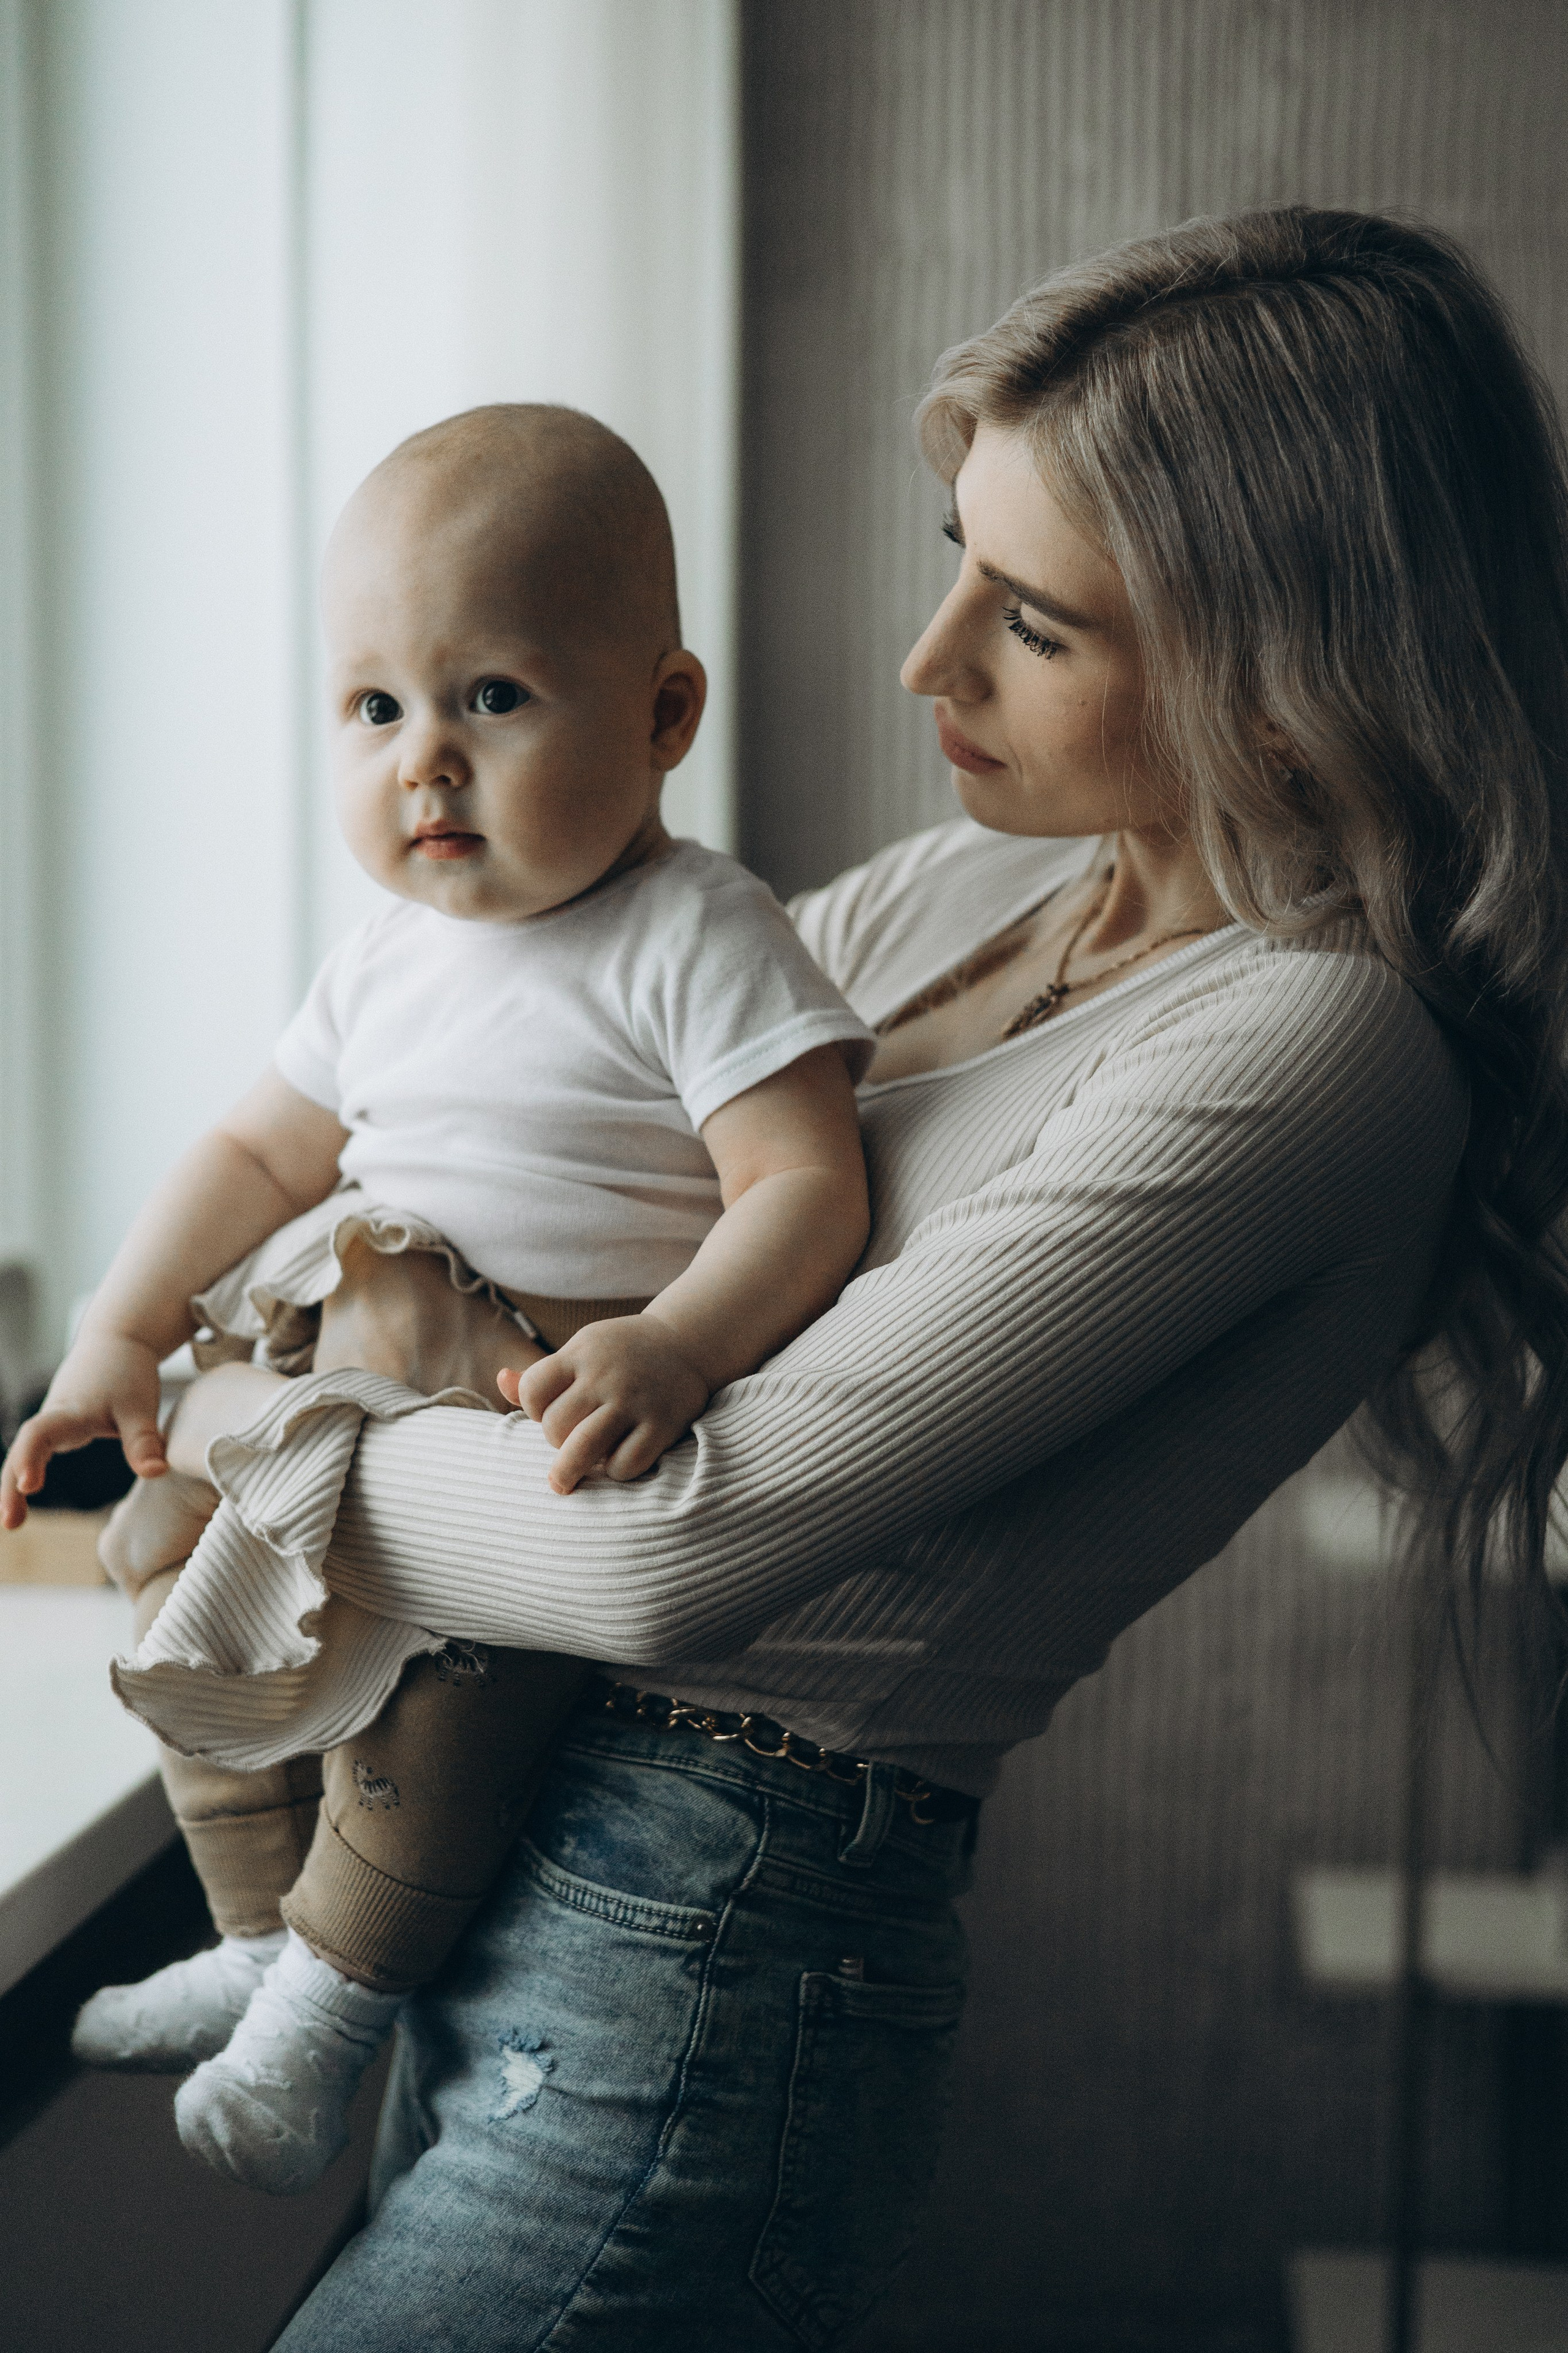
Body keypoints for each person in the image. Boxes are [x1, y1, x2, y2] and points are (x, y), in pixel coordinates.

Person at [43, 206, 1568, 2349]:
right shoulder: (973, 880)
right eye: (955, 554)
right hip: (492, 1830)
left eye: (1031, 621)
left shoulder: (1316, 1046)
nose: (925, 660)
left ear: (1291, 663)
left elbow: (670, 1561)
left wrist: (215, 1423)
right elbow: (511, 1139)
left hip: (712, 1926)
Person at [0, 406, 874, 2194]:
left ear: (663, 714)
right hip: (328, 1437)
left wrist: (680, 1338)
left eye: (492, 697)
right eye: (377, 708)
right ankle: (260, 1931)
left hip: (512, 1453)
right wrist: (121, 1323)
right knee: (161, 1558)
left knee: (441, 1705)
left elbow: (807, 1186)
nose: (427, 765)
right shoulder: (386, 957)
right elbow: (253, 1157)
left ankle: (327, 2010)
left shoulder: (697, 932)